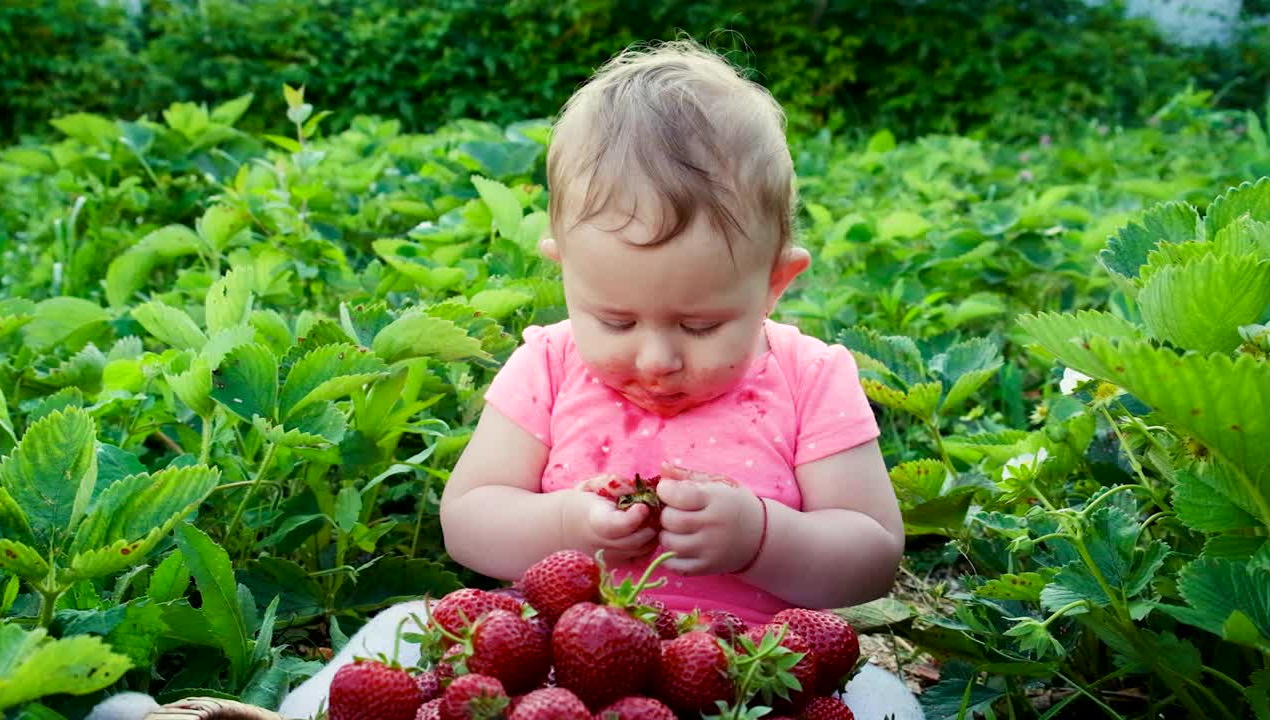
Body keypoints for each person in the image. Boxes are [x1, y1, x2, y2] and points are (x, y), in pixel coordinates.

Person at [88, 39, 922, 720]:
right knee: (398, 630)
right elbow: (470, 520)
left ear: (776, 283)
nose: (658, 357)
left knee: (879, 696)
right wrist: (569, 524)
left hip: (744, 681)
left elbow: (873, 555)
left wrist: (764, 537)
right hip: (542, 676)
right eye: (617, 320)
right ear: (564, 276)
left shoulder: (814, 377)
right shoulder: (550, 364)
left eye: (703, 326)